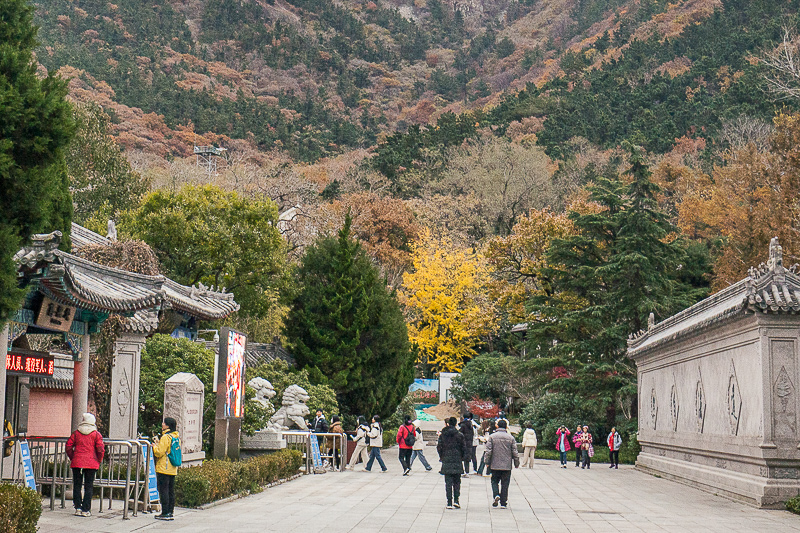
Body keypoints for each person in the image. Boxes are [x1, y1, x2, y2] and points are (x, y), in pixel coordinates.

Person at [66, 413, 104, 517]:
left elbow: (68, 446)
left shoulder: (76, 433)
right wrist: (98, 460)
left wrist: (73, 457)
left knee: (77, 486)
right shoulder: (96, 434)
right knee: (89, 486)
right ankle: (86, 509)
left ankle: (77, 507)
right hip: (91, 463)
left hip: (77, 462)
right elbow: (100, 449)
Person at [485, 419, 519, 509]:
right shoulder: (511, 438)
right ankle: (503, 502)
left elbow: (488, 451)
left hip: (495, 464)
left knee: (494, 481)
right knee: (505, 483)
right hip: (506, 465)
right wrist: (516, 462)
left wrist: (487, 462)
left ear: (497, 426)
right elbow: (514, 452)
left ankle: (496, 494)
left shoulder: (492, 437)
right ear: (506, 427)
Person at [152, 417, 180, 520]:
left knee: (163, 490)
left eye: (164, 422)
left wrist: (154, 446)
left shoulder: (166, 437)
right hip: (172, 468)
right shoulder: (176, 437)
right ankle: (170, 512)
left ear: (167, 425)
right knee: (170, 491)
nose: (162, 424)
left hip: (164, 468)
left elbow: (159, 452)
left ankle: (164, 512)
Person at [437, 417, 467, 509]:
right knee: (457, 482)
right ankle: (456, 500)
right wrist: (461, 457)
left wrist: (442, 456)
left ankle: (449, 502)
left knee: (448, 482)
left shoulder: (443, 435)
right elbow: (464, 448)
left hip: (446, 460)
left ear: (448, 424)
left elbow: (439, 447)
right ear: (456, 424)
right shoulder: (460, 435)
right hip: (457, 460)